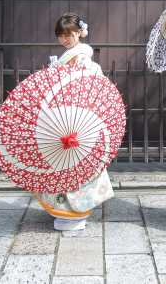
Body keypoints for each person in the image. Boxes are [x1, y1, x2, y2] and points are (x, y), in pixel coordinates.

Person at [34, 13, 114, 231]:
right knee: (67, 169)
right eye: (61, 36)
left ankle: (75, 213)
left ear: (80, 33)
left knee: (75, 169)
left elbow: (86, 93)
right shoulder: (66, 58)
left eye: (68, 34)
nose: (65, 39)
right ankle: (67, 211)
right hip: (66, 121)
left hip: (77, 122)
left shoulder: (83, 60)